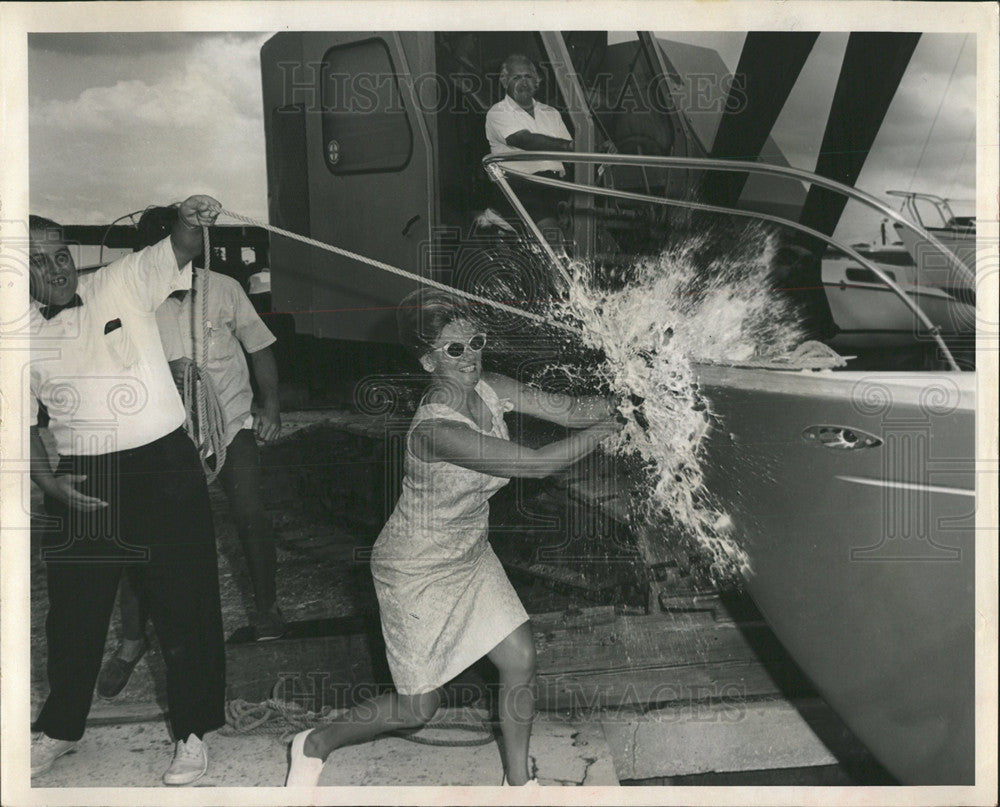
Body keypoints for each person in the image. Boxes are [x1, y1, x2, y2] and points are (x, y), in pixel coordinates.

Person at [285, 288, 623, 787]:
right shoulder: (435, 429)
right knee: (416, 708)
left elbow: (573, 410)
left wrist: (632, 398)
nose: (471, 357)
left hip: (468, 552)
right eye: (454, 349)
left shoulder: (490, 385)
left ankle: (518, 786)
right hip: (415, 567)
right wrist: (608, 430)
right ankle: (313, 744)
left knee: (520, 658)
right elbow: (535, 465)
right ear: (426, 360)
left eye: (476, 342)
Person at [28, 196, 226, 786]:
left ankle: (193, 733)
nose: (57, 268)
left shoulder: (120, 280)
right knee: (73, 616)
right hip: (85, 482)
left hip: (165, 467)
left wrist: (192, 216)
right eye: (39, 262)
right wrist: (49, 485)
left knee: (185, 603)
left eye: (61, 253)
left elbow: (182, 247)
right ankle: (61, 730)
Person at [95, 209, 284, 702]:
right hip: (162, 434)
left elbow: (259, 347)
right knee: (143, 535)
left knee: (251, 514)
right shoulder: (126, 300)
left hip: (231, 426)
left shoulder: (224, 289)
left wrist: (271, 406)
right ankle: (132, 640)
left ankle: (267, 609)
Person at [485, 53, 575, 243]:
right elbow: (524, 140)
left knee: (585, 234)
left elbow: (573, 154)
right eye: (516, 78)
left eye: (528, 77)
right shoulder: (497, 112)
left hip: (556, 186)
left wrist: (600, 149)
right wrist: (567, 146)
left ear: (537, 82)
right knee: (554, 240)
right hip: (521, 188)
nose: (523, 83)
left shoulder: (551, 113)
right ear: (504, 81)